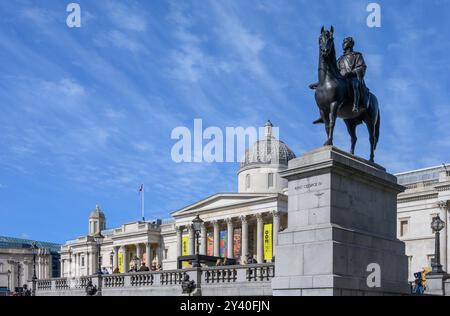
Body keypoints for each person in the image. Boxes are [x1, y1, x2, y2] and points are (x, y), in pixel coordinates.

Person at [310, 37, 369, 124]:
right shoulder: (340, 59)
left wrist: (351, 73)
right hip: (341, 80)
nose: (343, 44)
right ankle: (323, 115)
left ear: (350, 44)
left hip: (352, 77)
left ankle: (355, 105)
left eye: (345, 42)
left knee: (354, 84)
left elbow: (362, 67)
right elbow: (332, 74)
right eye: (343, 42)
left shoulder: (357, 55)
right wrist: (319, 83)